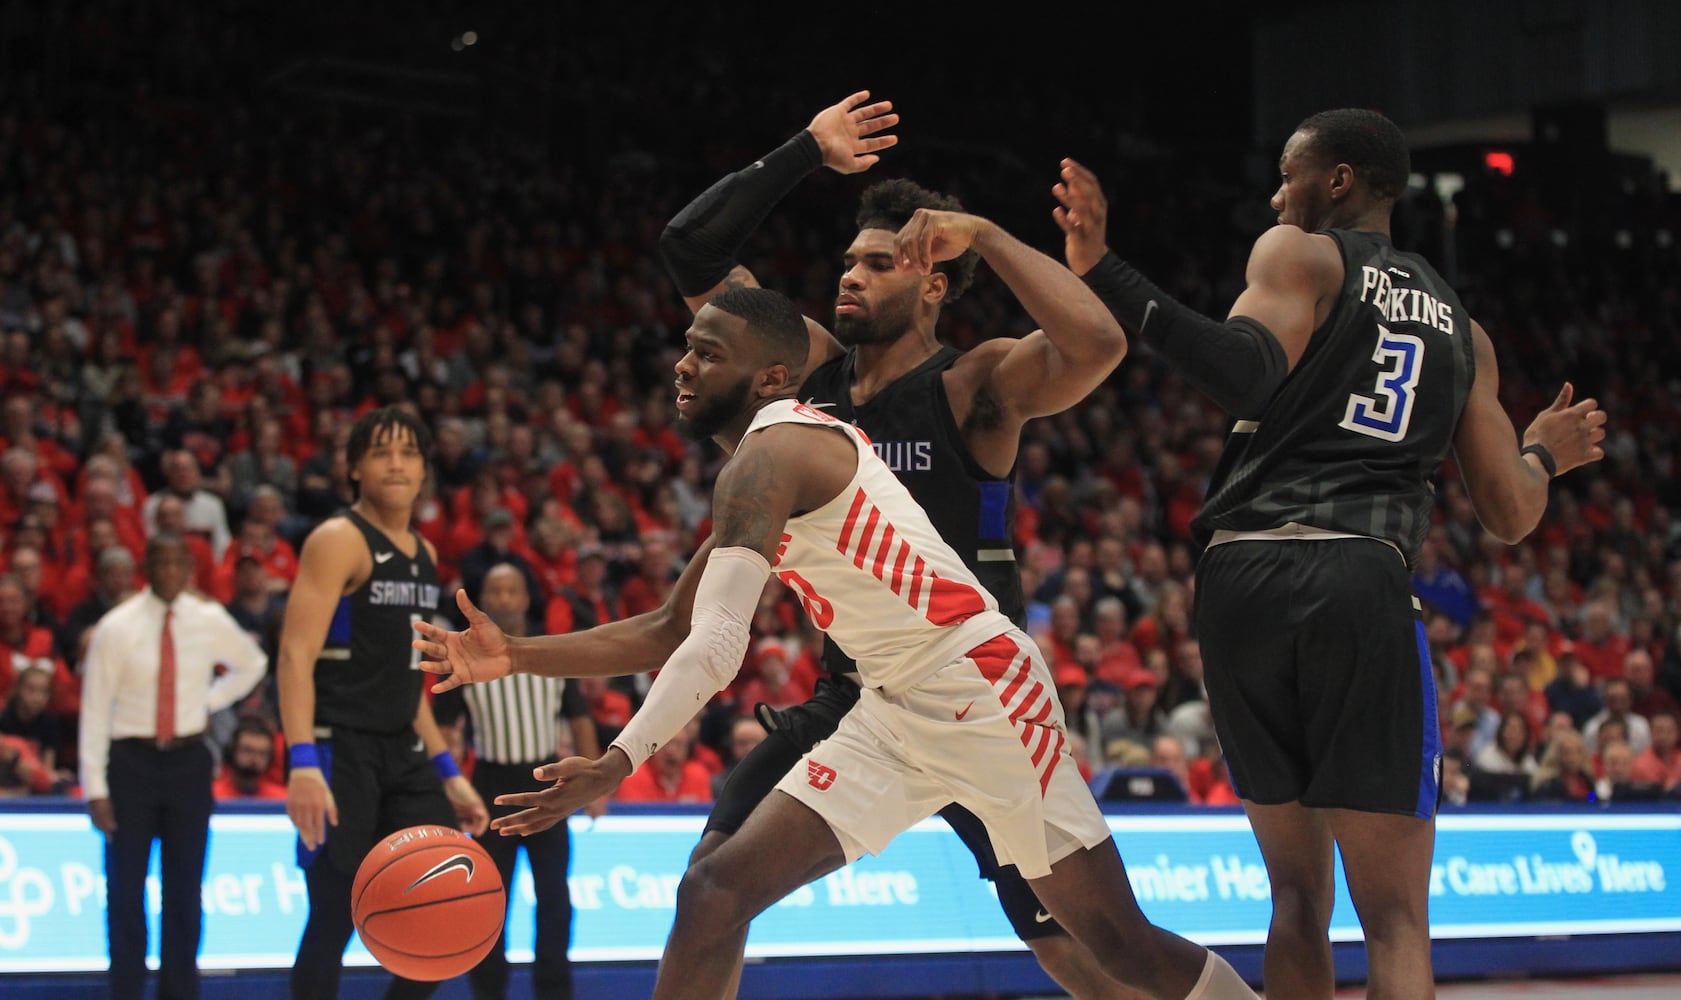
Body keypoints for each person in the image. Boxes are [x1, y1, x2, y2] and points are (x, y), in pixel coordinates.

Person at [421, 287, 1256, 1000]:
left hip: (979, 686)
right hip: (891, 706)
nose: (682, 365)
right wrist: (517, 654)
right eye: (686, 348)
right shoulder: (766, 467)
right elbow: (669, 626)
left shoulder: (773, 452)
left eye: (708, 354)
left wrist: (617, 758)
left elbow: (714, 646)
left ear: (772, 377)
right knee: (714, 892)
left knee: (1119, 945)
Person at [1068, 109, 1608, 999]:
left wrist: (1107, 272)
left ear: (1339, 181)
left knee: (1293, 897)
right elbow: (1510, 512)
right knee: (1394, 917)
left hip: (1239, 574)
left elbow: (1240, 370)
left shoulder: (1298, 255)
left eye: (1289, 174)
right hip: (1357, 574)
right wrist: (1545, 452)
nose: (1277, 194)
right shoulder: (1462, 332)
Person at [651, 90, 1144, 999]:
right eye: (847, 260)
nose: (848, 276)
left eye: (878, 264)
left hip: (971, 692)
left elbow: (1097, 342)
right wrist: (804, 149)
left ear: (931, 283)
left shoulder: (974, 383)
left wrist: (988, 235)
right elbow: (690, 248)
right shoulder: (805, 370)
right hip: (856, 694)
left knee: (1074, 946)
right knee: (709, 889)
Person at [278, 406, 489, 1000]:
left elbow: (406, 676)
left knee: (446, 916)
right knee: (332, 919)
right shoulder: (337, 540)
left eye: (407, 452)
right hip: (337, 749)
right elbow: (294, 656)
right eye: (380, 452)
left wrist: (449, 773)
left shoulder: (422, 552)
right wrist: (300, 762)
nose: (396, 463)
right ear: (353, 469)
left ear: (425, 469)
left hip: (403, 752)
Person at [78, 533, 267, 1000]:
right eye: (158, 561)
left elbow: (253, 663)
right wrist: (95, 788)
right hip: (130, 763)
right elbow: (94, 709)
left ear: (188, 568)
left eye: (175, 562)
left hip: (187, 762)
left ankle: (179, 991)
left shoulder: (208, 619)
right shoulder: (116, 626)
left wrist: (209, 700)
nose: (167, 570)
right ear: (146, 566)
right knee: (125, 891)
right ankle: (126, 989)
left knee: (185, 891)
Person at [447, 561, 599, 1000]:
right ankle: (488, 992)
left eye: (512, 591)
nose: (504, 599)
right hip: (490, 787)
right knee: (490, 901)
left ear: (526, 599)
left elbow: (580, 716)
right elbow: (442, 726)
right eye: (495, 591)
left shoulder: (549, 653)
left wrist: (590, 780)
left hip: (546, 786)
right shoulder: (467, 656)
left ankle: (554, 992)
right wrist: (449, 781)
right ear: (482, 600)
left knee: (555, 900)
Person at [213, 715, 288, 801]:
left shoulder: (281, 799)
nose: (255, 758)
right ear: (232, 751)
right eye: (248, 750)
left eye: (262, 753)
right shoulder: (212, 796)